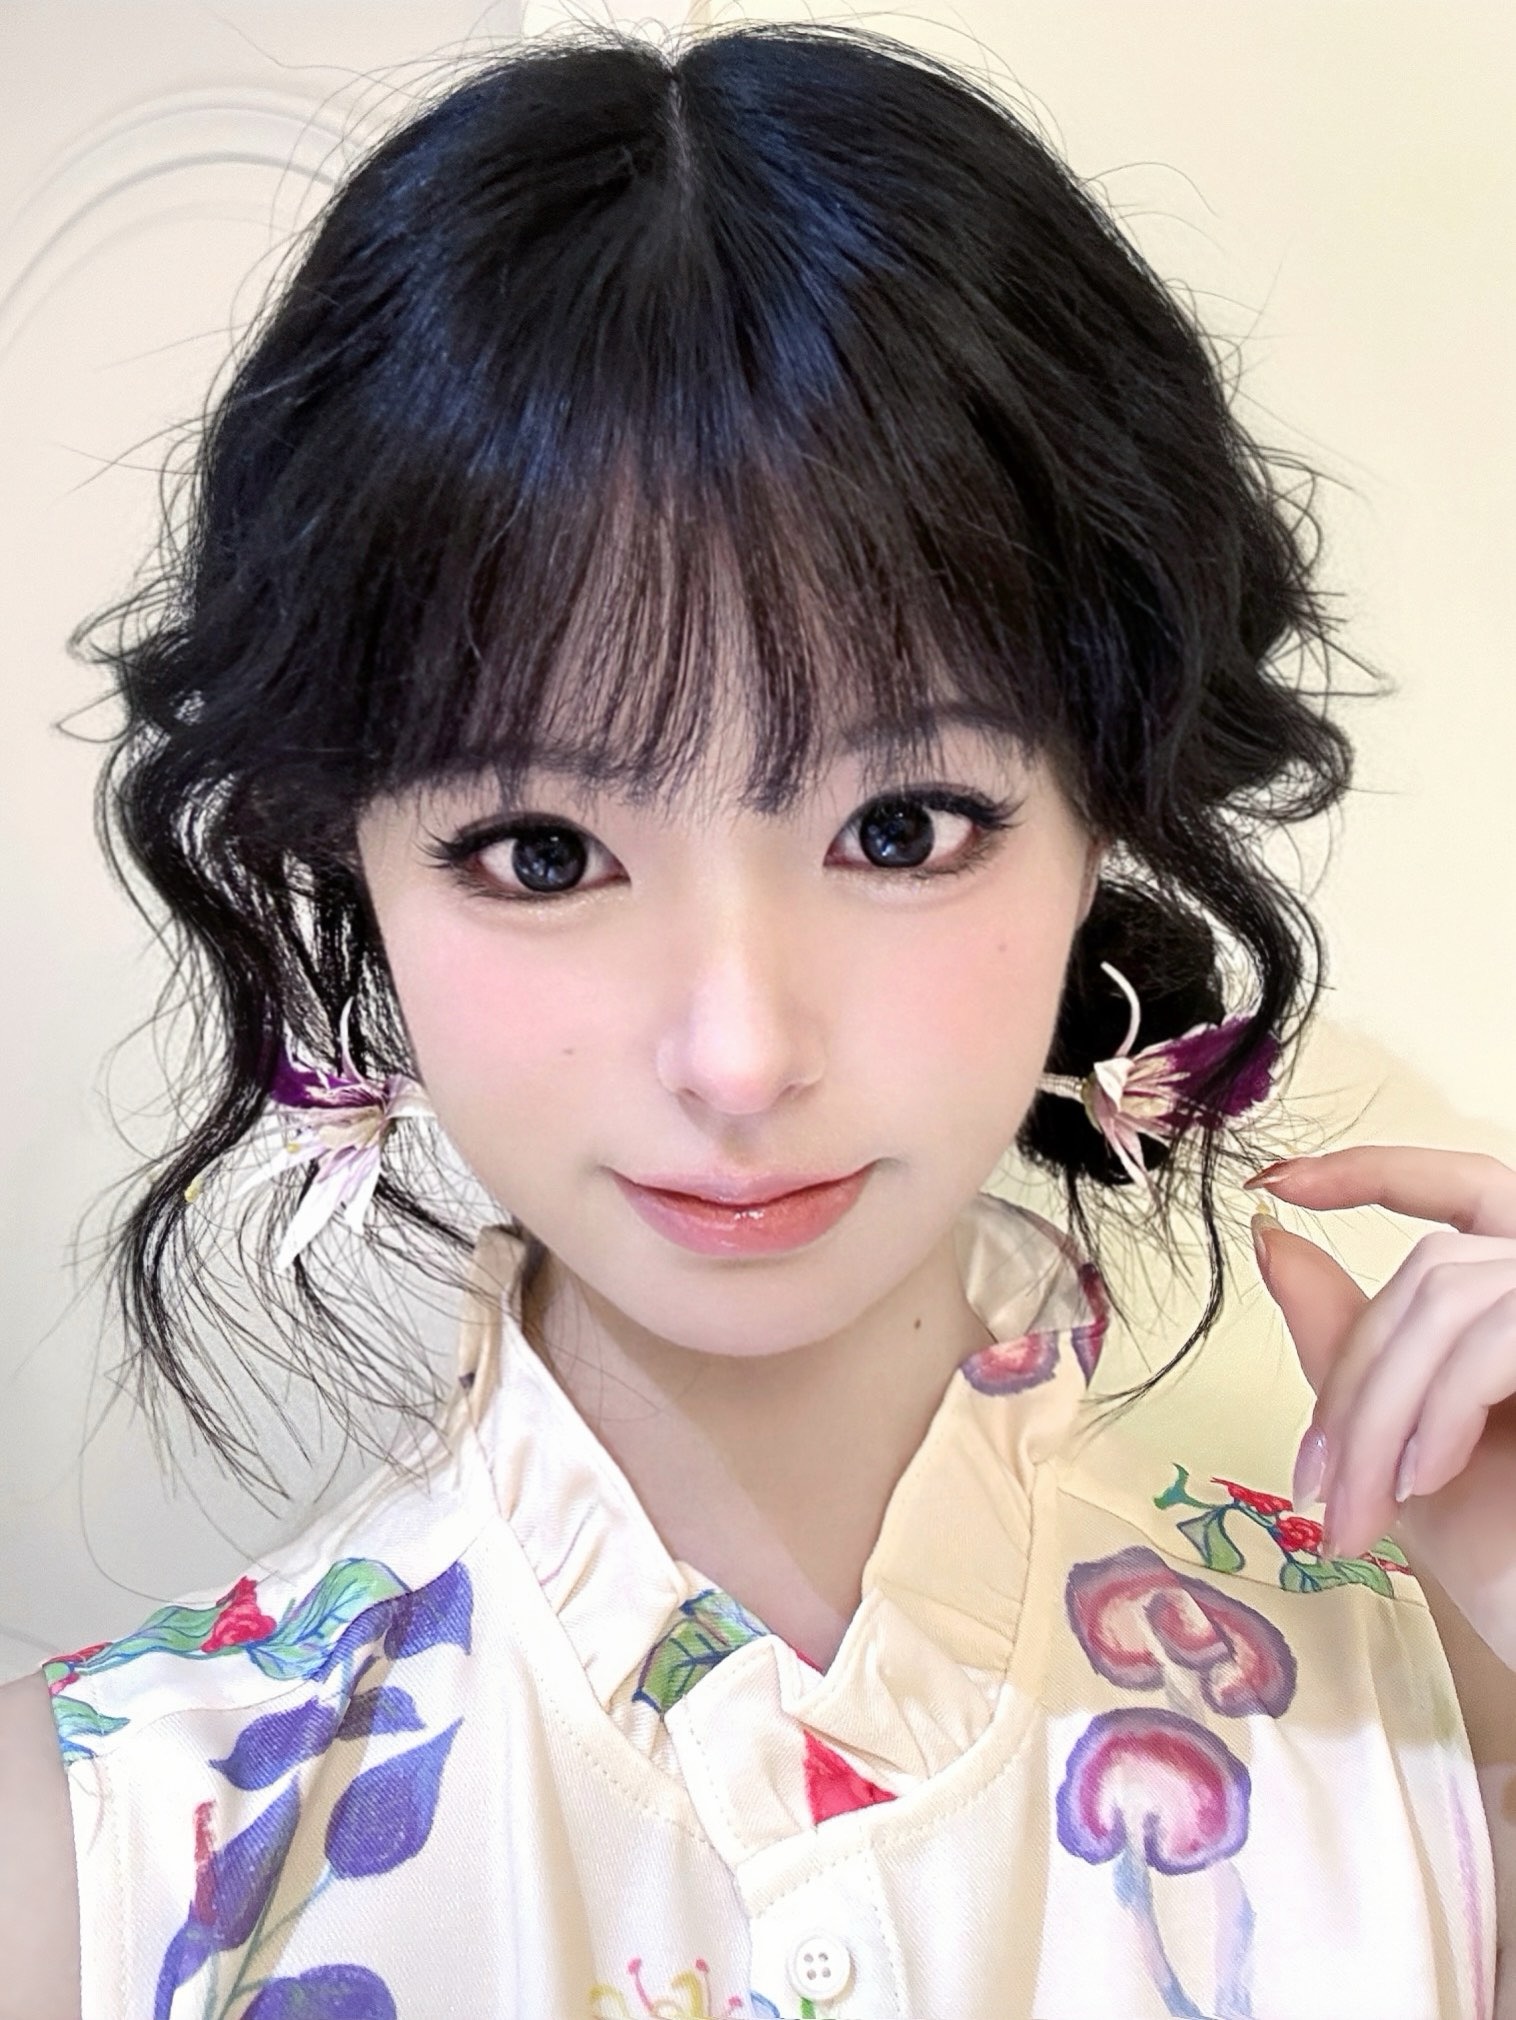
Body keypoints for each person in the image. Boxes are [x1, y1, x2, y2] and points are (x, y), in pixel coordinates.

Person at [1, 22, 1512, 2019]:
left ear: (1105, 823)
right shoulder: (89, 1863)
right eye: (543, 850)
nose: (734, 1053)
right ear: (347, 861)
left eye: (901, 827)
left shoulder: (1441, 1757)